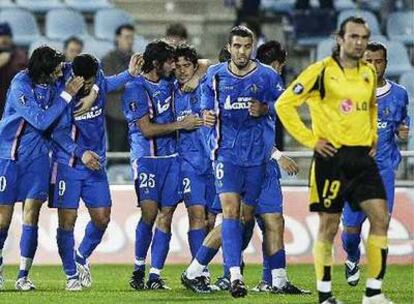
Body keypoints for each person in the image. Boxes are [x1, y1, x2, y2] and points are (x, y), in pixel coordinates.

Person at [276, 17, 393, 304]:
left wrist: (372, 137)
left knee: (381, 218)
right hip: (332, 158)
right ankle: (325, 295)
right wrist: (310, 140)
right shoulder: (320, 72)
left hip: (362, 158)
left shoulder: (367, 72)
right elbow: (284, 104)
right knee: (329, 226)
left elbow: (372, 106)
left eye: (364, 37)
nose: (359, 42)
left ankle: (374, 293)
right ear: (340, 38)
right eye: (353, 36)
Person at [181, 26, 281, 298]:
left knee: (244, 218)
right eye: (237, 46)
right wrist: (206, 113)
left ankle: (194, 269)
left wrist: (266, 108)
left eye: (246, 46)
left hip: (257, 157)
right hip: (226, 155)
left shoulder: (267, 76)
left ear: (252, 47)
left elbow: (286, 105)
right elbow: (205, 103)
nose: (241, 51)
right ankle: (235, 276)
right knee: (230, 212)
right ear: (229, 47)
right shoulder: (215, 75)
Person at [49, 53, 141, 291]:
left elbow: (108, 83)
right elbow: (56, 131)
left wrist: (129, 75)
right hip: (68, 164)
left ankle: (81, 257)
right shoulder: (61, 88)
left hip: (95, 164)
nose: (87, 86)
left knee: (102, 218)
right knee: (67, 222)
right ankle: (71, 276)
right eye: (84, 82)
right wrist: (81, 153)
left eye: (91, 82)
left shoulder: (97, 78)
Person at [0, 46, 84, 291]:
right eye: (56, 70)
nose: (60, 75)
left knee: (32, 214)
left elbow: (56, 127)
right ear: (44, 71)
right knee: (3, 219)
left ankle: (23, 276)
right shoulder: (20, 84)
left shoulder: (57, 84)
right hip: (9, 156)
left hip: (37, 158)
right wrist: (67, 95)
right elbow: (40, 121)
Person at [123, 40, 203, 290]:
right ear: (157, 63)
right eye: (170, 62)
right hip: (146, 159)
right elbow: (146, 129)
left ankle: (155, 275)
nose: (174, 67)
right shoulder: (135, 88)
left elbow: (205, 64)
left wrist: (197, 76)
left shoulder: (170, 83)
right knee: (149, 213)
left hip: (171, 159)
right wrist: (182, 125)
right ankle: (138, 268)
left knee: (166, 215)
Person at [341, 42, 410, 287]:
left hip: (383, 172)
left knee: (381, 223)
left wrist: (403, 132)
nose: (373, 65)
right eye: (368, 61)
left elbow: (402, 125)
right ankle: (351, 257)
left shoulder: (400, 93)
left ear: (385, 64)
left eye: (378, 61)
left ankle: (376, 281)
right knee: (351, 232)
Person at [173, 44, 216, 266]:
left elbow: (209, 63)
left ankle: (206, 266)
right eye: (178, 66)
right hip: (188, 163)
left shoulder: (207, 82)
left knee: (212, 219)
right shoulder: (170, 90)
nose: (182, 70)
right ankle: (198, 271)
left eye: (187, 65)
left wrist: (198, 76)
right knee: (196, 215)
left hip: (213, 160)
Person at [102, 24, 135, 152]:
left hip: (134, 114)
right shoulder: (108, 60)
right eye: (127, 37)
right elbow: (110, 84)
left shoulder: (137, 59)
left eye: (132, 38)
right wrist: (129, 78)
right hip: (115, 114)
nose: (130, 41)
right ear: (117, 39)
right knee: (116, 152)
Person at [0, 22, 28, 117]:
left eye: (6, 36)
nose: (3, 39)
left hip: (13, 110)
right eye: (0, 36)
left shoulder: (20, 56)